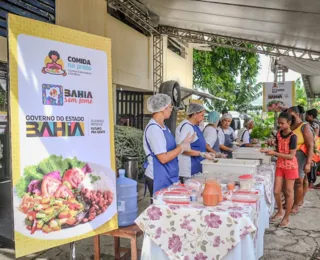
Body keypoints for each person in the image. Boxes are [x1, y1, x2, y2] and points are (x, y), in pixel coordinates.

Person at [143, 94, 194, 196]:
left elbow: (170, 149)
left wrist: (183, 144)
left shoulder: (163, 127)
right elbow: (163, 158)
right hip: (158, 176)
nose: (171, 110)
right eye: (170, 107)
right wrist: (181, 147)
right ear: (163, 108)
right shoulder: (154, 129)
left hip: (168, 174)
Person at [262, 112, 298, 227]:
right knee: (276, 191)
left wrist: (275, 153)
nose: (280, 125)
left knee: (288, 191)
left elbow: (291, 156)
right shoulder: (278, 134)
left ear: (289, 122)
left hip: (290, 166)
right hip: (280, 165)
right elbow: (277, 148)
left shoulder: (293, 137)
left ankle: (286, 217)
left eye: (282, 123)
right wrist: (271, 146)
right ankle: (280, 211)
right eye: (279, 123)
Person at [176, 103, 214, 180]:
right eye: (202, 115)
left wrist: (206, 153)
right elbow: (182, 149)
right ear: (194, 114)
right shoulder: (186, 127)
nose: (203, 118)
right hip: (188, 170)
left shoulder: (194, 126)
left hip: (196, 166)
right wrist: (202, 154)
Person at [287, 105, 314, 215]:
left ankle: (296, 205)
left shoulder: (304, 126)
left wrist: (308, 163)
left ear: (297, 114)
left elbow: (310, 145)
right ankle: (292, 202)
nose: (289, 116)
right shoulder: (289, 125)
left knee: (298, 182)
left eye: (291, 114)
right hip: (288, 156)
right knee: (289, 183)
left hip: (300, 156)